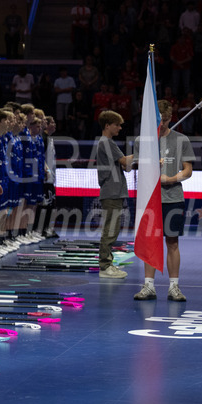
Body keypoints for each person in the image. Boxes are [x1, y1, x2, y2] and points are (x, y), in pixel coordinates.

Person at [135, 100, 194, 302]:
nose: (164, 123)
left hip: (173, 197)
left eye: (167, 119)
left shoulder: (181, 139)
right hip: (149, 199)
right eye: (160, 120)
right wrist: (150, 166)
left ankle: (174, 287)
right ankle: (148, 286)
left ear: (171, 118)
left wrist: (170, 179)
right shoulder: (142, 141)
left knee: (172, 243)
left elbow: (188, 170)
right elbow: (136, 169)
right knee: (150, 241)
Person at [94, 110, 131, 279]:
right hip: (111, 192)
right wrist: (146, 154)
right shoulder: (107, 143)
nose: (120, 128)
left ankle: (107, 263)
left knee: (113, 229)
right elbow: (125, 162)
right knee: (110, 230)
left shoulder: (106, 143)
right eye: (117, 124)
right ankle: (105, 266)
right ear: (108, 125)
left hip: (114, 192)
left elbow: (125, 166)